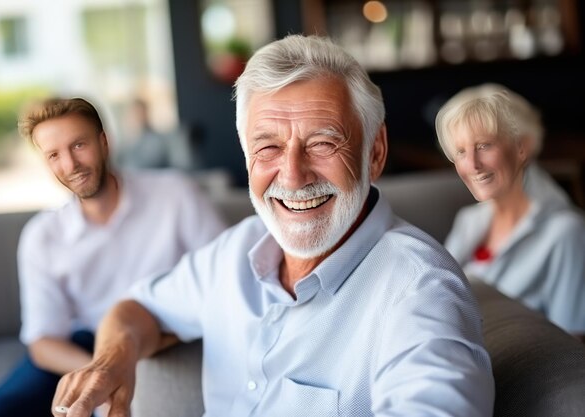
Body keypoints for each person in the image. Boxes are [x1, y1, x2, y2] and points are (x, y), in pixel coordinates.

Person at [52, 35, 494, 417]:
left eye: (322, 143)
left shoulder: (421, 291)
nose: (293, 175)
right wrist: (112, 363)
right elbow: (136, 309)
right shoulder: (238, 250)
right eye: (268, 148)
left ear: (374, 153)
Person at [0, 97, 226, 416]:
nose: (70, 165)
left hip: (170, 336)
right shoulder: (42, 236)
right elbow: (43, 341)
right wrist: (105, 374)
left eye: (79, 145)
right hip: (85, 347)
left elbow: (226, 279)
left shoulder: (176, 195)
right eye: (54, 155)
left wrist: (118, 367)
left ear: (104, 142)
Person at [435, 84, 585, 340]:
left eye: (483, 145)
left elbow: (573, 340)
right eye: (460, 151)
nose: (472, 165)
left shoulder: (567, 232)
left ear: (522, 147)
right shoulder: (469, 220)